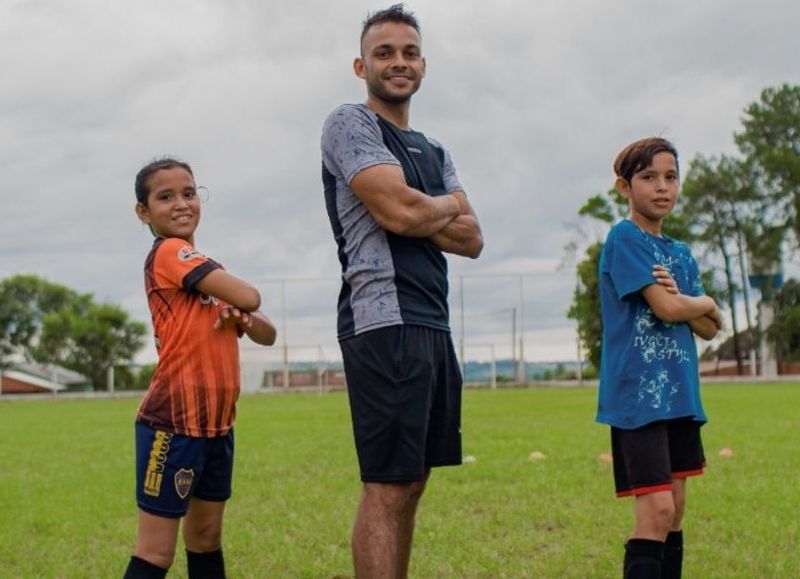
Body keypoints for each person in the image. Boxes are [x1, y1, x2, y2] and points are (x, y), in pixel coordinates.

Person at [320, 5, 483, 578]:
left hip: (433, 322)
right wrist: (441, 204)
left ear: (424, 65)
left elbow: (472, 238)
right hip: (382, 321)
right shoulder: (350, 124)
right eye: (384, 52)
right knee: (387, 486)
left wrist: (421, 210)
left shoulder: (433, 149)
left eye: (409, 53)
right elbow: (396, 209)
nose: (398, 62)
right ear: (361, 64)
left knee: (413, 481)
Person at [124, 158, 277, 579]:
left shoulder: (205, 268)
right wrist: (244, 304)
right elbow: (251, 293)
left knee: (206, 539)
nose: (181, 204)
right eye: (165, 196)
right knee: (155, 552)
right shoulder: (173, 254)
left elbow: (267, 332)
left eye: (189, 193)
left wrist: (244, 318)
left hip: (217, 425)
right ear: (144, 211)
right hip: (173, 423)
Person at [597, 137, 722, 579]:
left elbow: (711, 327)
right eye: (648, 177)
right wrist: (698, 303)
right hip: (639, 398)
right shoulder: (625, 238)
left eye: (670, 177)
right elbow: (670, 310)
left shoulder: (680, 254)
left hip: (680, 397)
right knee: (656, 510)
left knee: (676, 509)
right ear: (624, 187)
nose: (662, 187)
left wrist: (699, 301)